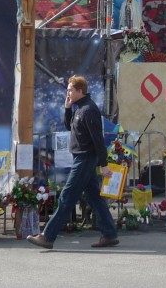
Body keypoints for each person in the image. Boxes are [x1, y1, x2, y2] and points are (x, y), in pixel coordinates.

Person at [26, 76, 120, 249]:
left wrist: (104, 164)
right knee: (95, 198)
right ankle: (109, 234)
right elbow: (70, 127)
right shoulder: (79, 108)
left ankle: (47, 236)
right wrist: (67, 108)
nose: (68, 92)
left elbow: (98, 139)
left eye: (70, 89)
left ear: (80, 91)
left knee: (66, 197)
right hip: (81, 158)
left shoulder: (89, 110)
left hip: (85, 159)